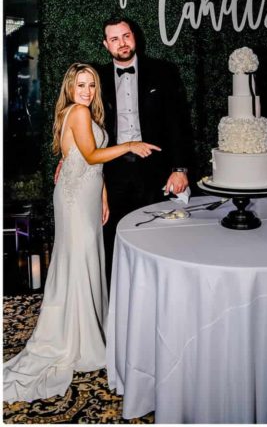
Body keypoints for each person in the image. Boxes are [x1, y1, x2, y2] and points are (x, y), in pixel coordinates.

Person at [4, 64, 160, 403]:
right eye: (80, 85)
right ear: (70, 88)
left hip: (85, 195)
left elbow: (78, 160)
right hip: (75, 201)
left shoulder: (82, 113)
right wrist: (131, 144)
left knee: (85, 258)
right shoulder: (77, 112)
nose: (87, 91)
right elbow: (90, 155)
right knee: (79, 259)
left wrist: (102, 194)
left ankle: (87, 328)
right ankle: (76, 338)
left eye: (91, 85)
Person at [96, 17, 194, 289]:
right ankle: (117, 302)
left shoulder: (163, 72)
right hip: (111, 172)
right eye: (114, 39)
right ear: (106, 44)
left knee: (157, 239)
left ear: (135, 37)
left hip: (153, 169)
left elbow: (178, 123)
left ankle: (157, 296)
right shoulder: (96, 78)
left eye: (126, 36)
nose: (122, 43)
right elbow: (80, 122)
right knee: (112, 240)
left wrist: (180, 168)